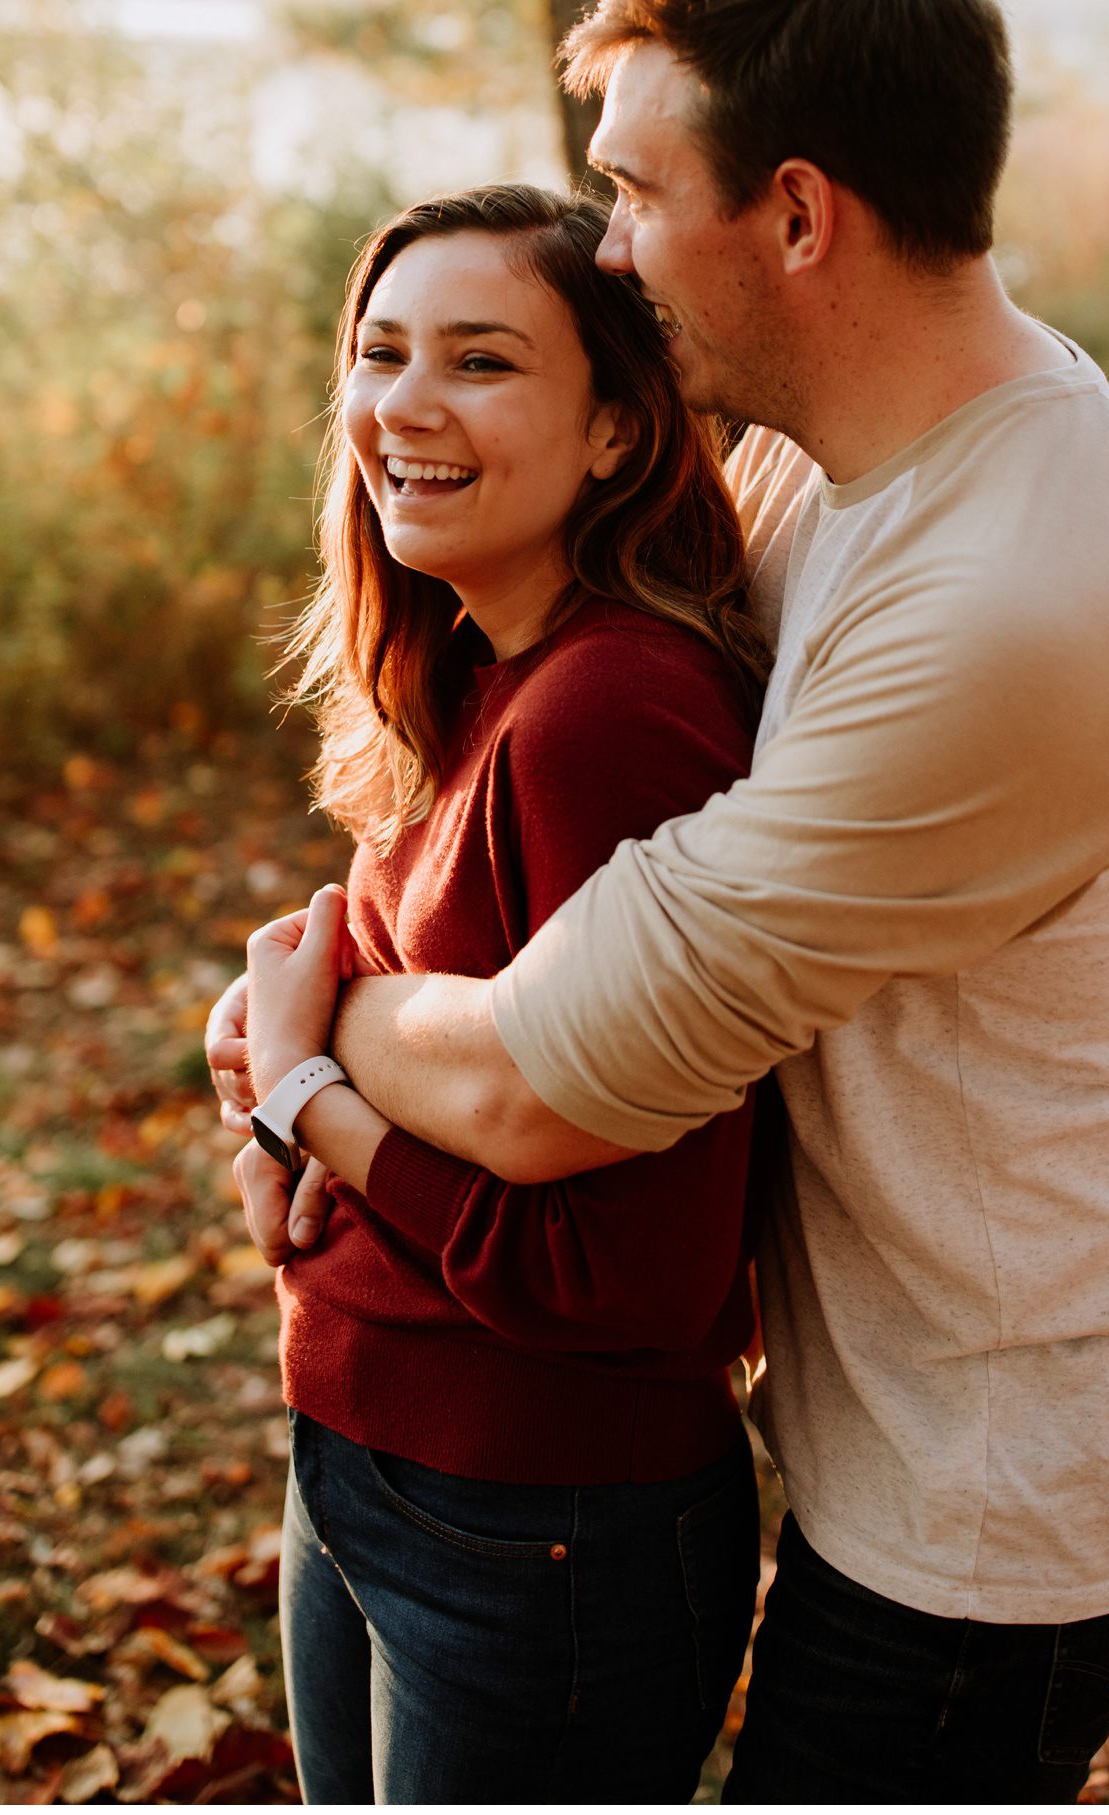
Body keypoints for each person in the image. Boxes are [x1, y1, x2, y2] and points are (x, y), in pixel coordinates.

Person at [215, 0, 1109, 1806]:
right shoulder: (822, 444)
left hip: (998, 1474)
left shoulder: (1011, 594)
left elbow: (542, 1082)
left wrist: (307, 1038)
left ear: (792, 215)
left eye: (629, 192)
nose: (608, 250)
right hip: (866, 1394)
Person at [236, 182, 773, 1805]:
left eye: (480, 362)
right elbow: (355, 1011)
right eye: (382, 351)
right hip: (366, 1461)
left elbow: (627, 1276)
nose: (405, 403)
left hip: (541, 1523)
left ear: (616, 431)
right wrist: (283, 1077)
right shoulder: (476, 676)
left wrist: (304, 1100)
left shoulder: (613, 713)